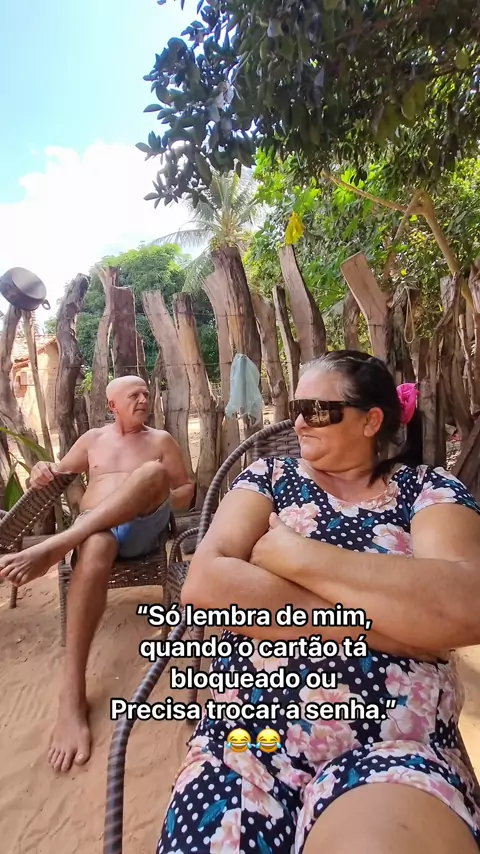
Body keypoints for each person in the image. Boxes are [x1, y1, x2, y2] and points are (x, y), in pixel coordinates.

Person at [158, 350, 480, 854]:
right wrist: (391, 629)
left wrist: (300, 556)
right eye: (296, 408)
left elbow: (466, 605)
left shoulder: (426, 490)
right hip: (243, 749)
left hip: (390, 750)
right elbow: (206, 585)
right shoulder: (269, 477)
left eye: (318, 410)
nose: (300, 422)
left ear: (371, 421)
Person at [0, 375, 194, 773]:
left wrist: (157, 495)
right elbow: (56, 472)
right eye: (134, 395)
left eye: (146, 393)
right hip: (96, 534)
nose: (144, 399)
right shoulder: (92, 440)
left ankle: (56, 546)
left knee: (152, 475)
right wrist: (40, 470)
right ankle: (71, 695)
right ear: (112, 406)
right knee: (97, 545)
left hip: (141, 529)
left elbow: (186, 489)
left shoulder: (161, 441)